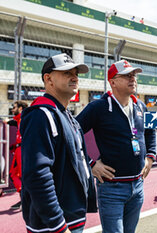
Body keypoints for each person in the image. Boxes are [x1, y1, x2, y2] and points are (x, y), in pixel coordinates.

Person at [76, 60, 156, 233]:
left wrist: (150, 157)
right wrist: (90, 164)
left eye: (134, 75)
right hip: (112, 188)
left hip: (138, 185)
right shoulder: (98, 107)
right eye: (127, 75)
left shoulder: (141, 105)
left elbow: (152, 130)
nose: (133, 79)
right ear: (112, 81)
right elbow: (72, 133)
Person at [20, 53, 97, 233]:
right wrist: (57, 224)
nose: (74, 77)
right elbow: (37, 174)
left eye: (76, 73)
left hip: (71, 217)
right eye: (66, 72)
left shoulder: (66, 115)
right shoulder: (40, 114)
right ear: (48, 79)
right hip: (54, 225)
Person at [7, 100, 28, 210]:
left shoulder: (24, 117)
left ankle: (25, 199)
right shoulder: (20, 119)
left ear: (20, 108)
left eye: (14, 107)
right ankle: (24, 199)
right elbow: (11, 122)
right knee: (14, 174)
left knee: (17, 174)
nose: (12, 109)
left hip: (23, 150)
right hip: (20, 149)